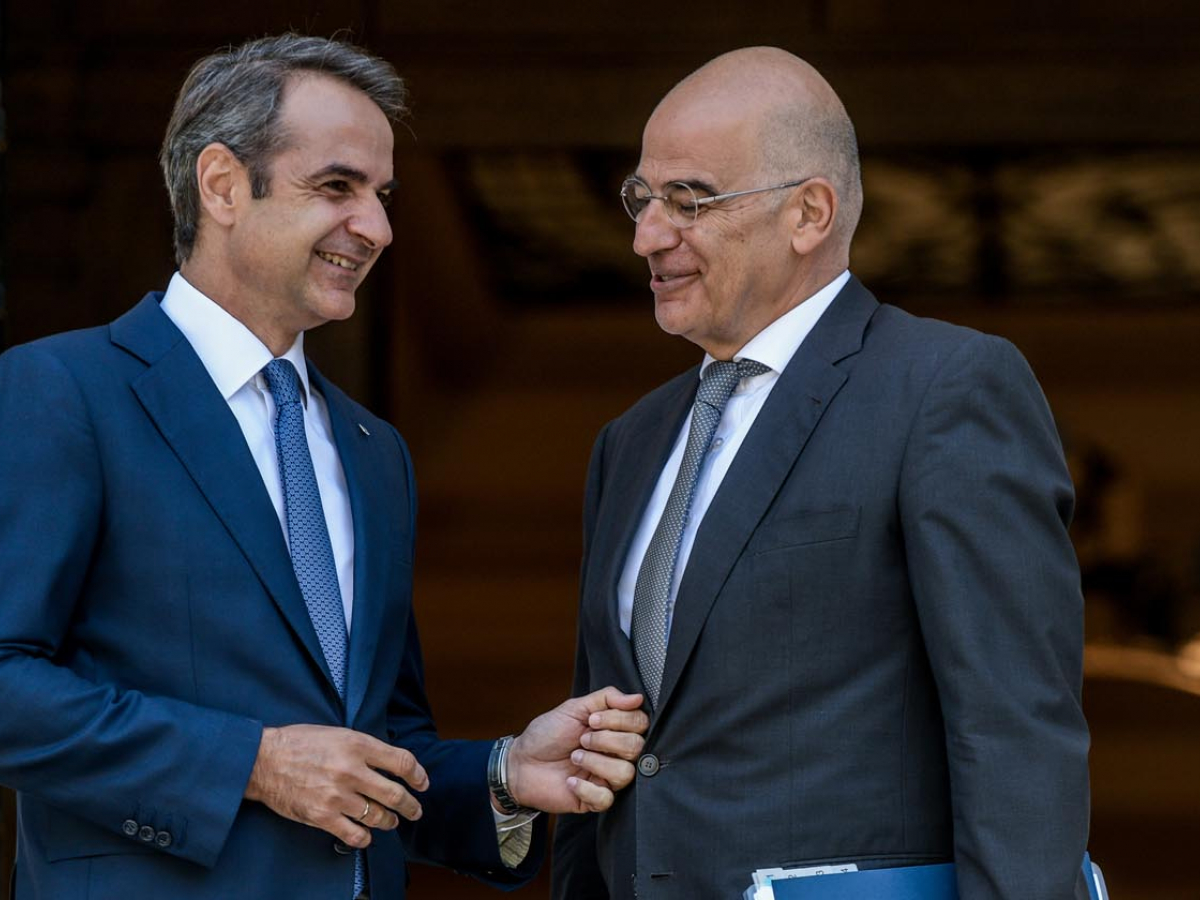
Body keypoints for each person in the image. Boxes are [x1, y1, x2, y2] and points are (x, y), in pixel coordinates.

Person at [0, 33, 647, 900]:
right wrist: (254, 765)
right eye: (337, 187)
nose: (377, 228)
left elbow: (378, 749)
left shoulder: (375, 452)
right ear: (223, 185)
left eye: (382, 195)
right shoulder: (63, 391)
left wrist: (503, 774)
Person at [551, 47, 1091, 900]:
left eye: (689, 200)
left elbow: (1015, 727)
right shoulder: (632, 440)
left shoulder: (943, 388)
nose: (647, 236)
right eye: (642, 199)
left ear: (808, 213)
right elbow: (607, 746)